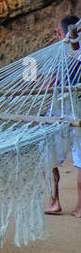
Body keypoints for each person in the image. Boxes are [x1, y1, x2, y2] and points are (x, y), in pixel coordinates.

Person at [45, 14, 81, 216]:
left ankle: (53, 201)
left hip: (59, 112)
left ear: (60, 32)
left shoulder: (55, 56)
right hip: (79, 110)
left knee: (48, 159)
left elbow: (47, 85)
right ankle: (80, 207)